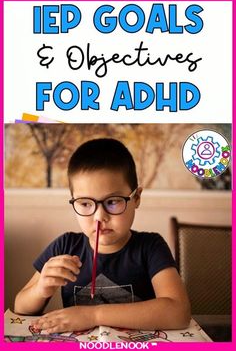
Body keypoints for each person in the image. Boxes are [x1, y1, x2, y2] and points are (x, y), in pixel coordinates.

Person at [14, 138, 191, 333]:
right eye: (85, 204)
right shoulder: (65, 246)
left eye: (113, 201)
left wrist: (92, 315)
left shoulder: (150, 247)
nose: (99, 216)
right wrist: (41, 290)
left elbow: (178, 313)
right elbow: (20, 307)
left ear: (136, 198)